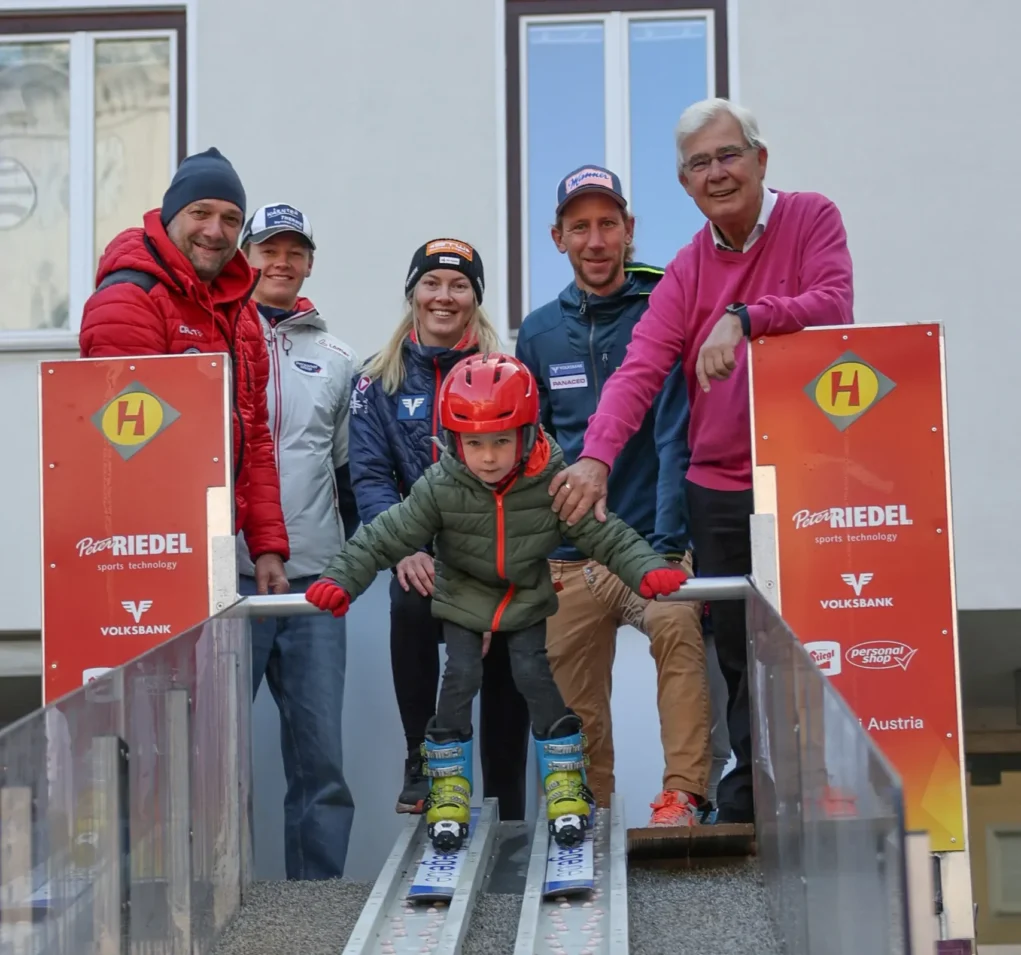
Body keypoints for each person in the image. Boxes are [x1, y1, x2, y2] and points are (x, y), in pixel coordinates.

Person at [550, 98, 854, 824]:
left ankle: (819, 790)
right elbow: (638, 370)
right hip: (716, 485)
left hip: (802, 471)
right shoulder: (687, 268)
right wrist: (594, 460)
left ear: (758, 159)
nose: (716, 173)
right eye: (698, 165)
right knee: (738, 657)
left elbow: (834, 305)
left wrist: (746, 318)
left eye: (726, 155)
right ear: (684, 186)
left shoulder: (810, 216)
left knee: (811, 640)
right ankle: (749, 796)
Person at [306, 353, 690, 851]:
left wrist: (647, 570)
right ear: (452, 442)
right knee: (460, 678)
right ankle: (447, 790)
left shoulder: (554, 484)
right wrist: (342, 579)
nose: (488, 457)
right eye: (474, 444)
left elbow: (609, 537)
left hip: (526, 601)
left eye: (501, 442)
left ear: (527, 436)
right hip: (463, 601)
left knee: (534, 677)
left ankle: (566, 784)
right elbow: (384, 535)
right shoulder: (440, 487)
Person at [516, 164, 716, 827]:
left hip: (646, 545)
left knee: (677, 630)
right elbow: (531, 452)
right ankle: (586, 812)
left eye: (608, 225)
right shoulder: (538, 331)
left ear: (629, 230)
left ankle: (683, 793)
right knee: (570, 695)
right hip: (568, 556)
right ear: (557, 238)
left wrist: (664, 547)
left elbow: (670, 436)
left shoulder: (661, 308)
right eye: (580, 227)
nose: (596, 240)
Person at [348, 238, 531, 818]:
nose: (444, 297)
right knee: (410, 600)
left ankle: (508, 811)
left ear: (475, 299)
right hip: (422, 550)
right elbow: (372, 476)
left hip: (496, 548)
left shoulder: (508, 373)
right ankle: (422, 759)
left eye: (459, 286)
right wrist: (404, 549)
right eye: (432, 284)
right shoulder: (375, 381)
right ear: (413, 294)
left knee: (508, 648)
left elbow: (523, 469)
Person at [79, 147, 289, 593]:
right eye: (201, 212)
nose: (215, 231)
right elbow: (124, 446)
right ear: (171, 215)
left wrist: (266, 545)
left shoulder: (241, 313)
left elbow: (254, 437)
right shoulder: (129, 299)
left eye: (231, 219)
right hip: (145, 549)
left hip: (213, 543)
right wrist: (168, 552)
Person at [235, 202, 358, 879]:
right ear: (245, 257)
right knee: (215, 754)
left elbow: (347, 472)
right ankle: (221, 898)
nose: (280, 262)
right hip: (231, 581)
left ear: (309, 261)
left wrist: (340, 556)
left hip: (314, 585)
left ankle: (316, 905)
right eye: (267, 249)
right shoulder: (218, 340)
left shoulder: (337, 358)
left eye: (294, 251)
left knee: (320, 757)